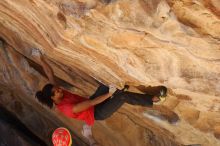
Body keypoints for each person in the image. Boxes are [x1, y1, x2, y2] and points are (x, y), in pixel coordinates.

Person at [33, 48, 167, 126]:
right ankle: (154, 100)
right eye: (56, 91)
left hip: (92, 103)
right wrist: (109, 94)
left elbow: (50, 73)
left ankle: (119, 89)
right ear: (53, 98)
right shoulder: (68, 109)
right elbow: (91, 103)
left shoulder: (55, 93)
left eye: (57, 88)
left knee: (107, 83)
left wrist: (41, 59)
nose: (59, 89)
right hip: (97, 113)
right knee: (122, 96)